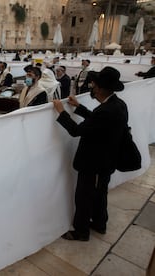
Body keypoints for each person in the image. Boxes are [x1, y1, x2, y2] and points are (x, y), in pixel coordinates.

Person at [52, 67, 128, 241]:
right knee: (99, 194)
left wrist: (61, 111)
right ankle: (100, 223)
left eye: (93, 85)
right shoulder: (117, 105)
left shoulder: (106, 111)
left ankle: (81, 231)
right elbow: (96, 121)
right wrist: (79, 107)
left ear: (100, 89)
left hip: (94, 163)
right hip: (107, 161)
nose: (91, 88)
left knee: (85, 197)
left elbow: (76, 130)